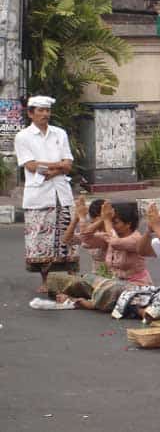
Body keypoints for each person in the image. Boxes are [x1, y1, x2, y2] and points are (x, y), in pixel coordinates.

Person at [13, 95, 79, 294]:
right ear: (31, 113)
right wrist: (59, 165)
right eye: (40, 110)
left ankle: (70, 281)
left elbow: (69, 163)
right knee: (42, 240)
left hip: (61, 192)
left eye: (47, 110)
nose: (44, 114)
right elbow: (31, 165)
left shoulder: (59, 133)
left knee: (68, 237)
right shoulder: (23, 136)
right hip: (39, 195)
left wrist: (55, 168)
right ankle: (47, 281)